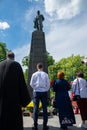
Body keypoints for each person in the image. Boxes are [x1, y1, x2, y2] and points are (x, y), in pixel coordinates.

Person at [0, 51, 31, 130]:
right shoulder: (16, 65)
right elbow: (22, 85)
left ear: (6, 56)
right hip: (13, 104)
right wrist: (25, 101)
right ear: (14, 57)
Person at [30, 63, 50, 130]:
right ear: (42, 67)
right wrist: (45, 90)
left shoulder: (34, 74)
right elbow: (48, 84)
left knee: (36, 108)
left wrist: (35, 88)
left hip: (36, 92)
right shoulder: (46, 74)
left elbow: (31, 84)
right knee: (45, 109)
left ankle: (35, 125)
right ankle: (45, 125)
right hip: (44, 92)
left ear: (37, 67)